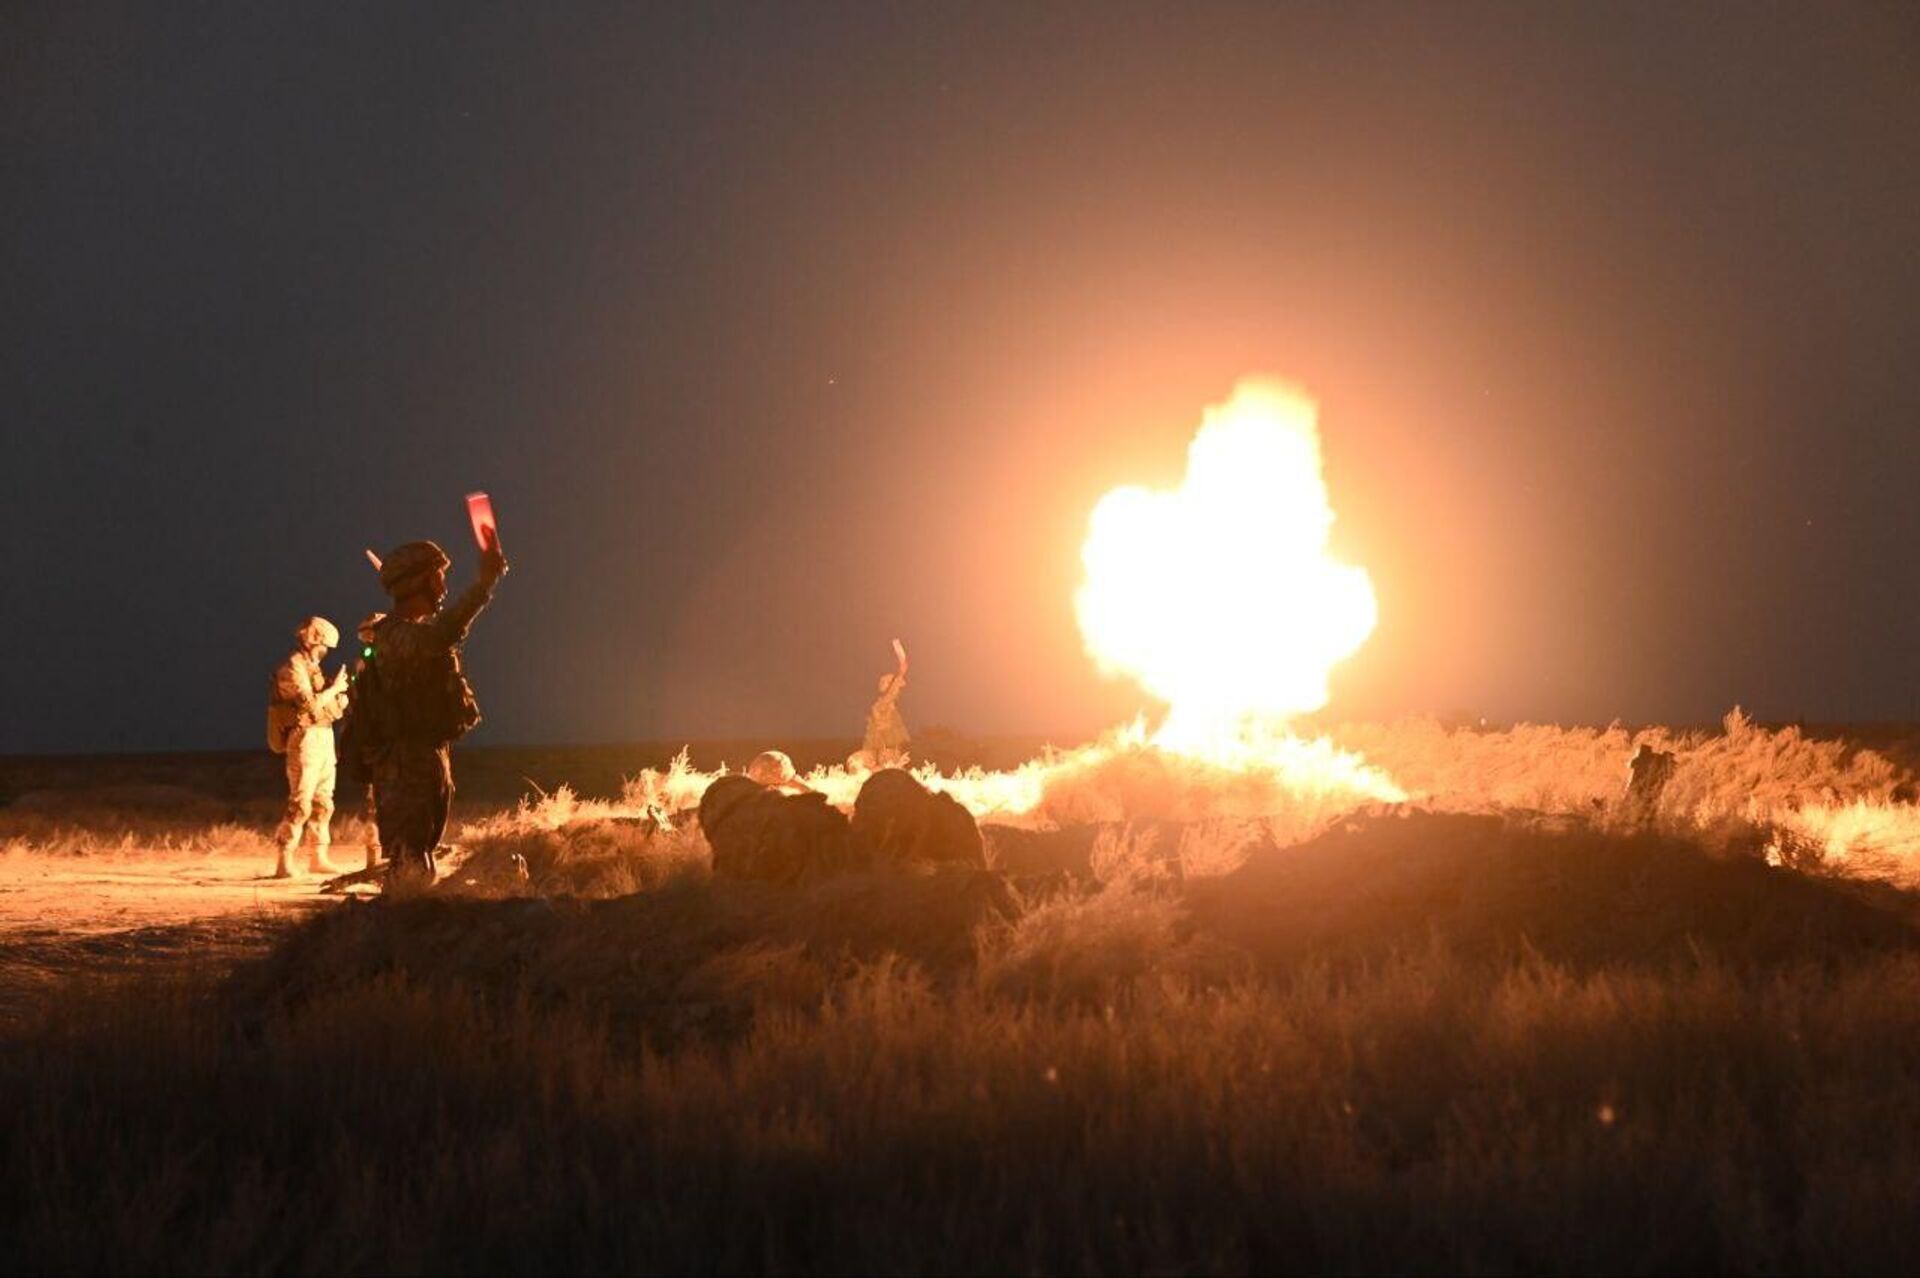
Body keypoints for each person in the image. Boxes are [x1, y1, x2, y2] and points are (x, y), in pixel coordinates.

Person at [358, 534, 508, 890]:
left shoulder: (410, 633)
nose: (443, 586)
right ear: (417, 582)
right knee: (410, 862)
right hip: (406, 762)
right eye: (437, 576)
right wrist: (483, 586)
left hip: (427, 755)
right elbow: (439, 638)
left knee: (421, 855)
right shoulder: (394, 635)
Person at [269, 616, 350, 878]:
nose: (325, 651)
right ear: (314, 640)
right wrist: (335, 689)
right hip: (304, 738)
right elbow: (307, 705)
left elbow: (328, 707)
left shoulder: (312, 668)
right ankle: (285, 858)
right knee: (301, 802)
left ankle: (318, 855)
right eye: (324, 645)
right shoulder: (292, 667)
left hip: (323, 736)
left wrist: (340, 696)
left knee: (323, 801)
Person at [859, 638, 911, 768]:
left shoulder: (886, 704)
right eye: (892, 684)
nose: (898, 688)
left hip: (888, 751)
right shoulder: (883, 703)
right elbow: (894, 688)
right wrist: (902, 668)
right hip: (887, 752)